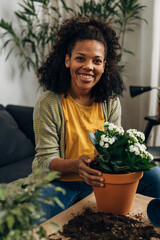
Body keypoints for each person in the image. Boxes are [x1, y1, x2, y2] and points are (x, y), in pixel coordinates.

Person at [32, 16, 160, 224]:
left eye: (96, 61)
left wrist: (114, 161)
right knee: (35, 221)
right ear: (67, 60)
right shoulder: (49, 103)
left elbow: (114, 147)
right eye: (80, 58)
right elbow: (45, 161)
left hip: (101, 177)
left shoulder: (109, 101)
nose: (88, 67)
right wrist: (76, 165)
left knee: (154, 173)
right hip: (59, 183)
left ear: (104, 65)